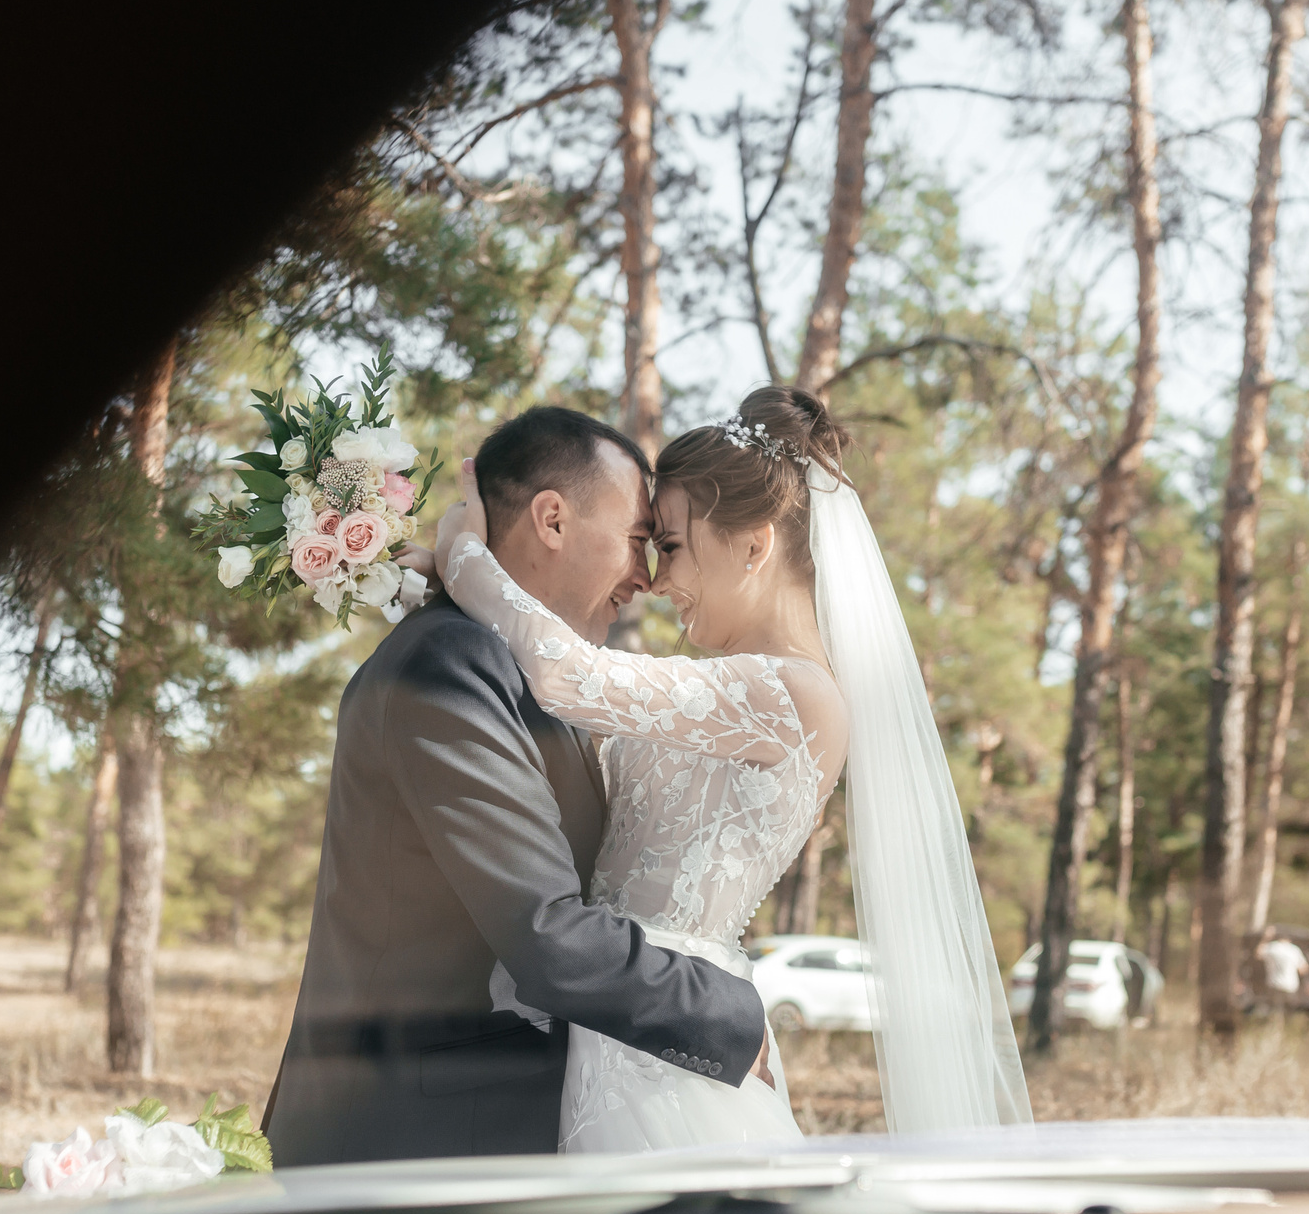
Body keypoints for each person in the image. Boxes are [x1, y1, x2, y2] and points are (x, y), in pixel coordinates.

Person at [420, 386, 1032, 1151]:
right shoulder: (717, 689)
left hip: (668, 1053)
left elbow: (567, 676)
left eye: (669, 544)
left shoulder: (795, 695)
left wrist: (463, 551)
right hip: (613, 1024)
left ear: (753, 542)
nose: (653, 576)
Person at [261, 407, 773, 1165]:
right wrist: (732, 1014)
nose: (647, 576)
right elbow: (546, 933)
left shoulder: (525, 677)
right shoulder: (448, 665)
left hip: (490, 1128)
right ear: (553, 519)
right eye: (638, 541)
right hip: (409, 1147)